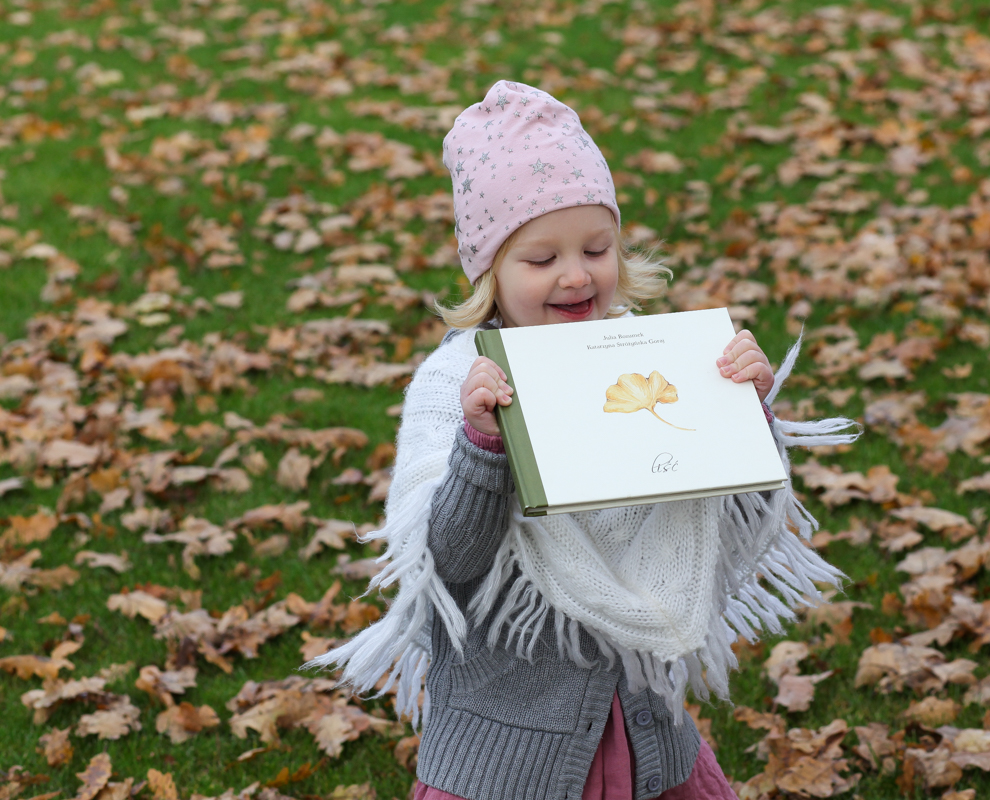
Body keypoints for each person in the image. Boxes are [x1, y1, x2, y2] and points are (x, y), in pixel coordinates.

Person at [306, 80, 859, 800]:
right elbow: (450, 563)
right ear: (489, 273)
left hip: (645, 733)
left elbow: (734, 520)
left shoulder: (648, 358)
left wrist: (745, 417)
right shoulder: (456, 385)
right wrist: (483, 446)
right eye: (541, 260)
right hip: (503, 757)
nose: (575, 274)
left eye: (597, 248)